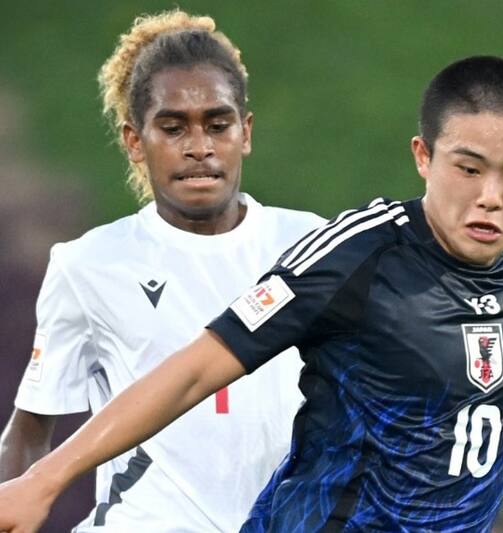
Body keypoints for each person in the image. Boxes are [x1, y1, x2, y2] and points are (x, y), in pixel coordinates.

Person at [1, 55, 503, 533]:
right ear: (423, 156)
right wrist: (44, 479)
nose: (491, 196)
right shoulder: (358, 257)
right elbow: (194, 368)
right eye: (468, 167)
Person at [0, 10, 324, 533]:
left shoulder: (313, 244)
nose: (199, 147)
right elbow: (32, 428)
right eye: (173, 128)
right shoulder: (88, 264)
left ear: (245, 132)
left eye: (218, 125)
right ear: (134, 141)